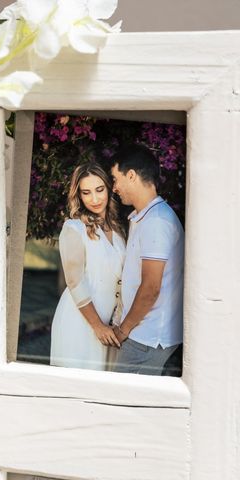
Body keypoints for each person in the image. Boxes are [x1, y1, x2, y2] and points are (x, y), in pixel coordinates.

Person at [110, 144, 184, 375]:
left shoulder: (157, 222)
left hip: (147, 336)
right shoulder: (146, 217)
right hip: (143, 333)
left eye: (115, 179)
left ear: (131, 175)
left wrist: (124, 330)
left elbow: (151, 287)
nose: (114, 188)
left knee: (121, 405)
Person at [50, 163, 127, 371]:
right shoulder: (74, 228)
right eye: (86, 192)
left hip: (109, 324)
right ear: (79, 196)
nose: (94, 199)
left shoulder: (118, 229)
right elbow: (75, 281)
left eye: (99, 190)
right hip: (80, 321)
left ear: (109, 188)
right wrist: (97, 326)